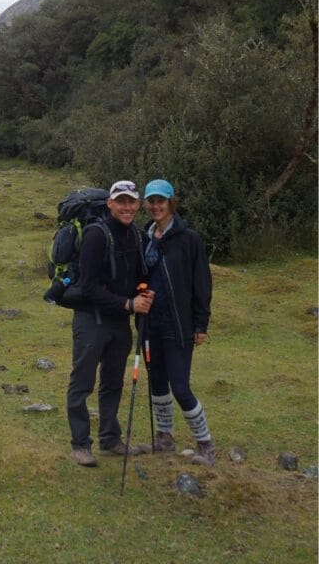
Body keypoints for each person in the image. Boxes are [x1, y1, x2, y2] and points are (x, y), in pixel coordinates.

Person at [67, 179, 154, 467]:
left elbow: (139, 276)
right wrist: (128, 303)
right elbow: (88, 287)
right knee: (82, 382)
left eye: (132, 201)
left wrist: (143, 292)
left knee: (113, 381)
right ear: (110, 203)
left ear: (138, 204)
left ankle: (110, 439)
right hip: (91, 319)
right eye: (121, 201)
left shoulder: (137, 236)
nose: (127, 207)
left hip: (119, 323)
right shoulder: (96, 235)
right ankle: (80, 445)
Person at [142, 178, 215, 466]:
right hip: (150, 324)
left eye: (160, 200)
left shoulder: (189, 240)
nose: (155, 206)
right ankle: (164, 438)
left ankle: (205, 443)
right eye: (151, 201)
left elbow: (202, 283)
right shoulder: (144, 237)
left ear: (172, 202)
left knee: (180, 387)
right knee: (157, 383)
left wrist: (201, 324)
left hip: (179, 326)